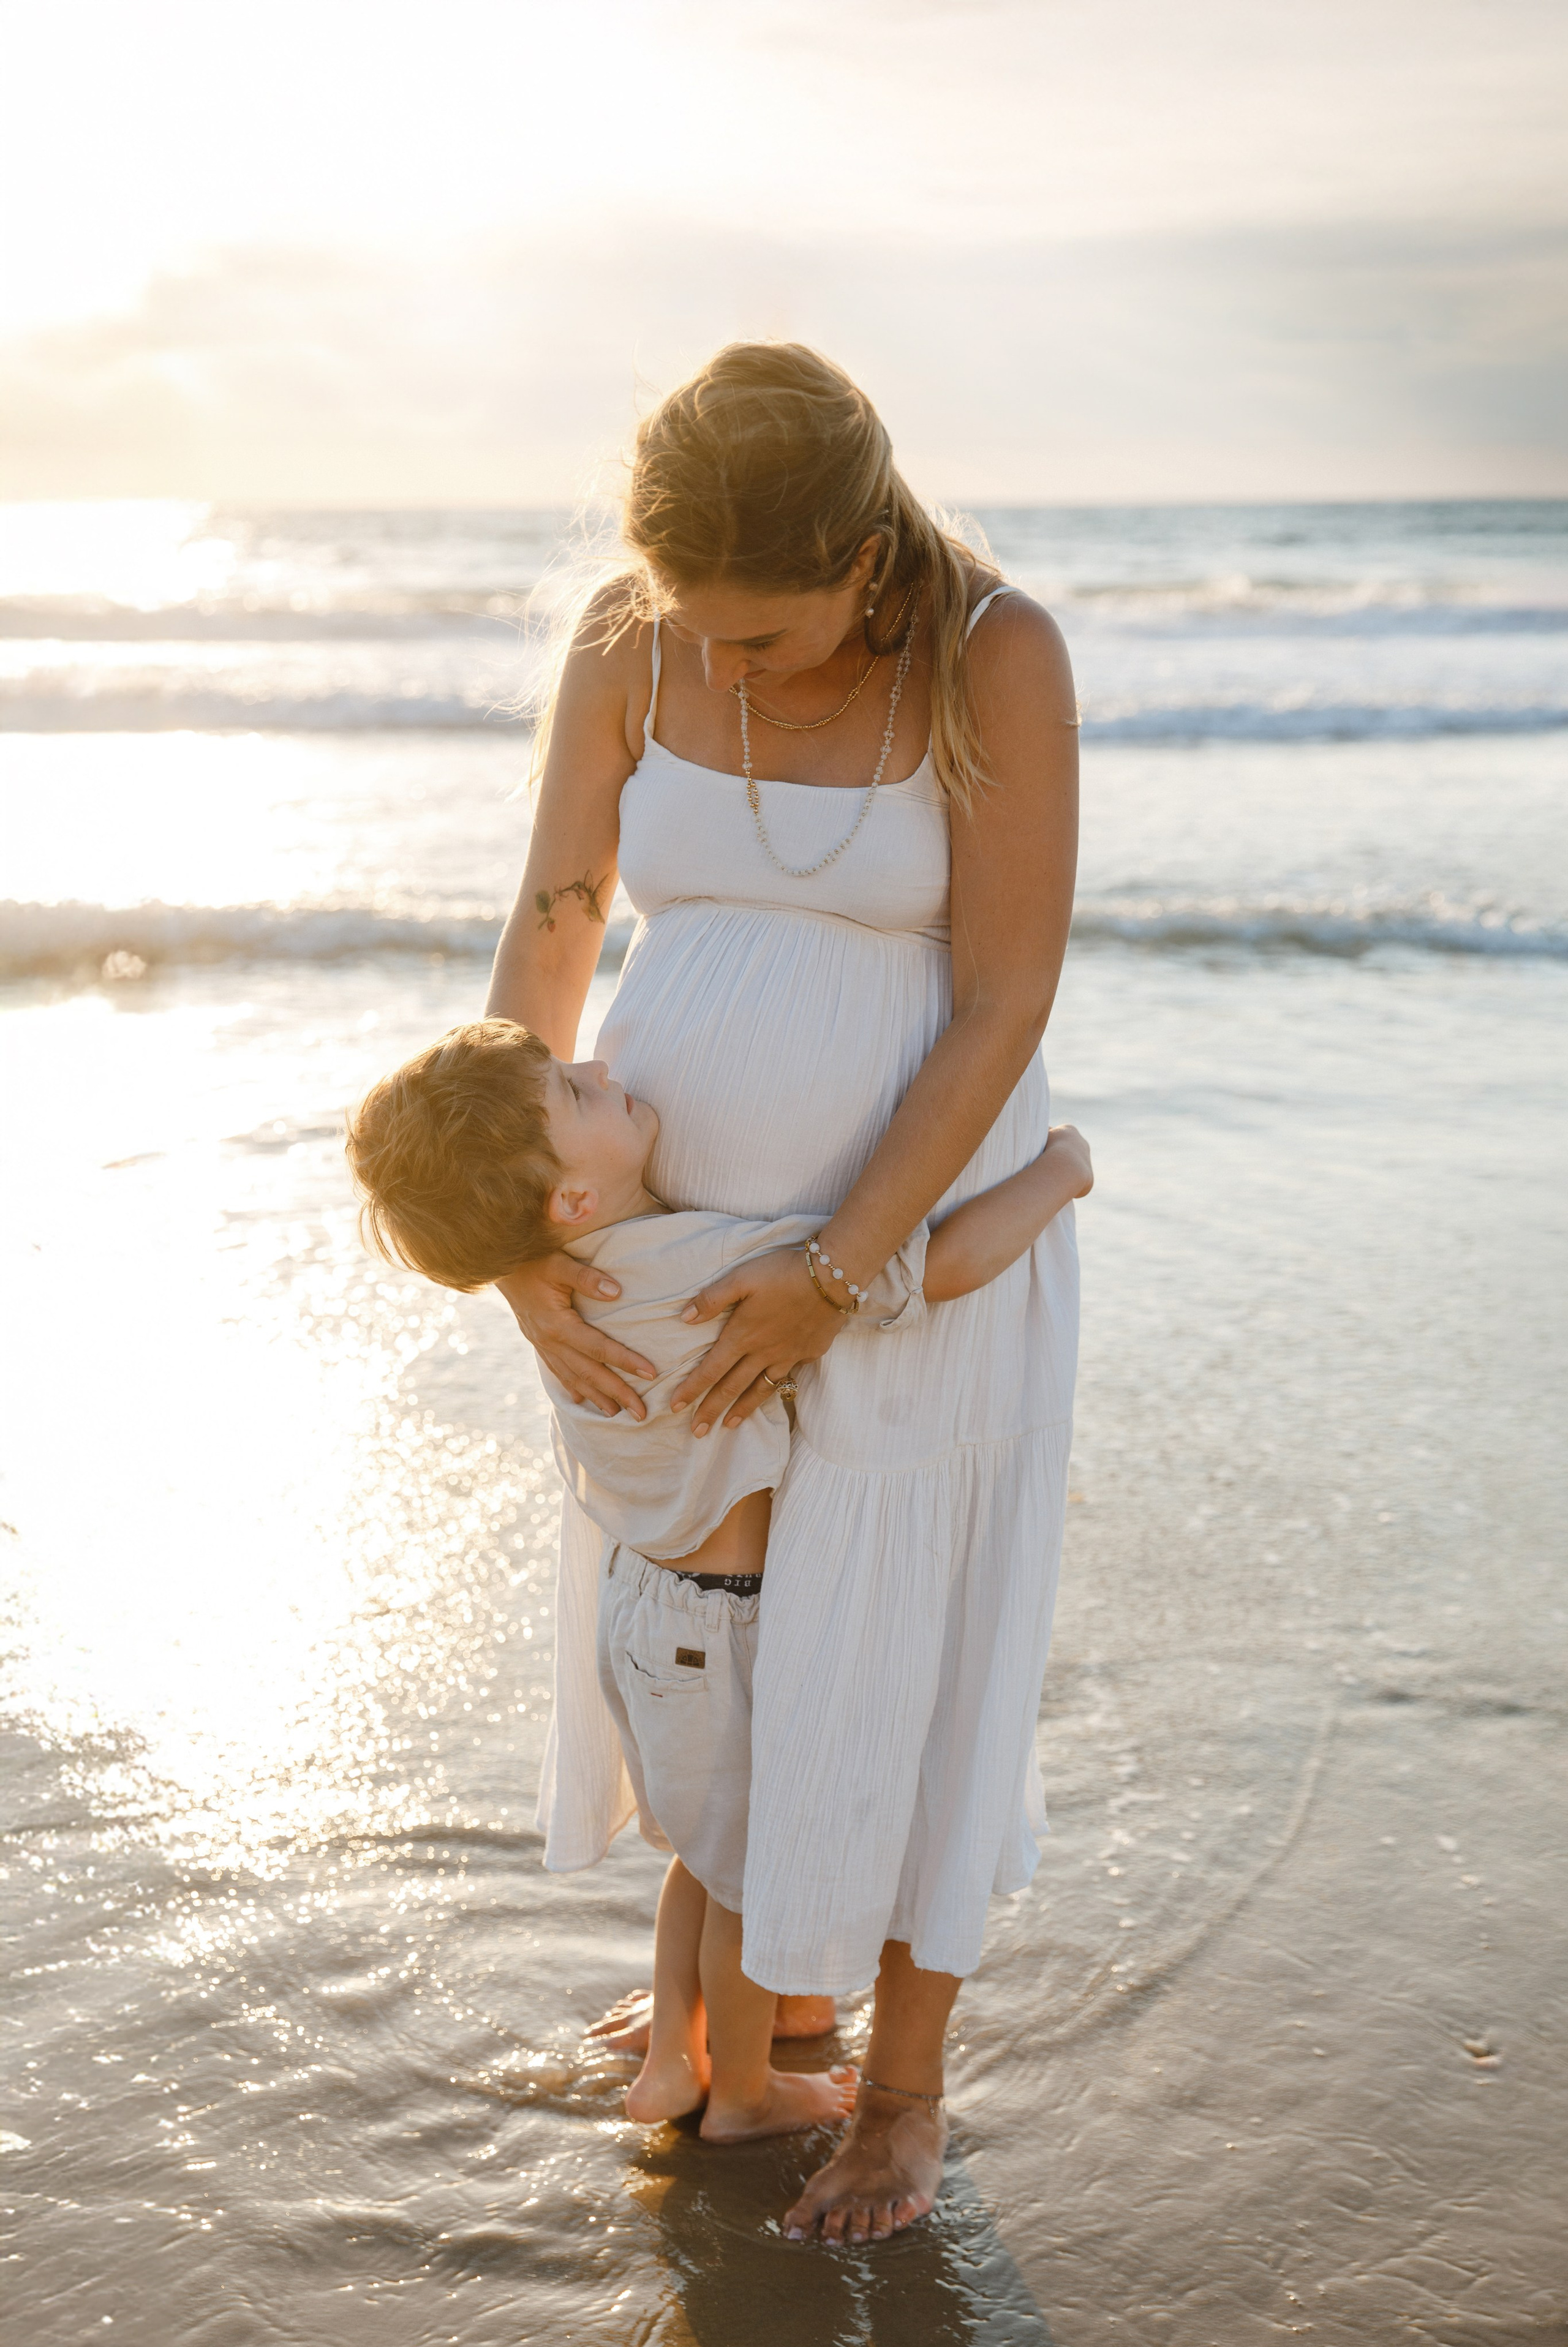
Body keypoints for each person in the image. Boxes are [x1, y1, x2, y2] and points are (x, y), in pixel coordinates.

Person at [486, 341, 1080, 2245]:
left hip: (917, 1245)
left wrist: (841, 1271)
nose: (718, 668)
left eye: (759, 634)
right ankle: (750, 2013)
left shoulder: (994, 652)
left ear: (864, 561)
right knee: (723, 1639)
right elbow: (556, 923)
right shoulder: (629, 638)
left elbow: (1004, 999)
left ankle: (898, 2097)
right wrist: (517, 1239)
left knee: (912, 1640)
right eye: (695, 629)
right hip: (666, 1255)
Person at [345, 1018, 1093, 2144]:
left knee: (705, 1858)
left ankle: (671, 2060)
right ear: (571, 1199)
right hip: (723, 1629)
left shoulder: (573, 1294)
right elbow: (929, 1267)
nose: (602, 1069)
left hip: (643, 1610)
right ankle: (742, 2092)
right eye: (573, 1092)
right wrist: (1059, 1171)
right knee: (747, 1879)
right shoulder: (693, 1271)